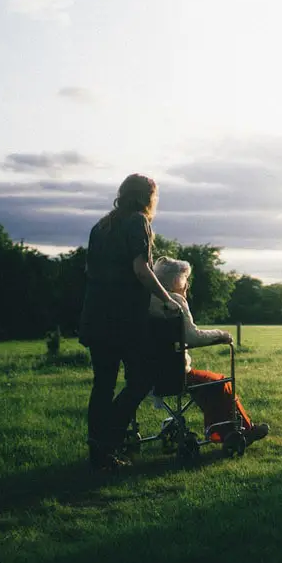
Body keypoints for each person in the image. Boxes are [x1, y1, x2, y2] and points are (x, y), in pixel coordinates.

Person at [79, 173, 182, 471]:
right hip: (123, 319)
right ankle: (107, 440)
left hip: (95, 315)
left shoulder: (101, 225)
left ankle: (99, 453)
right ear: (148, 197)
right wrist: (167, 298)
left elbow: (90, 269)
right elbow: (141, 269)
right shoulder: (138, 221)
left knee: (103, 385)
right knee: (141, 380)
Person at [149, 256, 269, 447]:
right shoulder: (175, 300)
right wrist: (222, 335)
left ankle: (220, 432)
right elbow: (193, 337)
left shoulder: (148, 300)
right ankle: (243, 430)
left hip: (149, 373)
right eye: (185, 279)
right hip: (174, 373)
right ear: (175, 281)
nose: (187, 284)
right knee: (220, 382)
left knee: (207, 384)